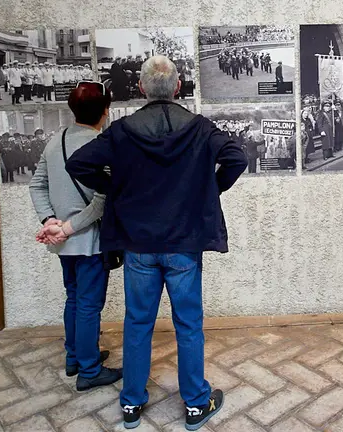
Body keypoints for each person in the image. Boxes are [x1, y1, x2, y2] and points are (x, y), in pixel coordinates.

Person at [65, 55, 247, 431]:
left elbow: (79, 164)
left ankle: (131, 404)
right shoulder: (198, 127)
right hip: (183, 244)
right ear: (178, 87)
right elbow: (237, 157)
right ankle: (196, 405)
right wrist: (210, 189)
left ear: (143, 88)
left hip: (140, 246)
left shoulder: (123, 129)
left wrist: (117, 191)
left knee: (137, 323)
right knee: (188, 324)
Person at [28, 82, 121, 391]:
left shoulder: (56, 141)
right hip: (88, 241)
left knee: (74, 298)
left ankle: (76, 357)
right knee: (89, 305)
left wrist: (49, 220)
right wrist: (67, 227)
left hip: (62, 242)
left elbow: (36, 185)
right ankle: (90, 370)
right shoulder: (102, 145)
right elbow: (102, 201)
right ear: (106, 111)